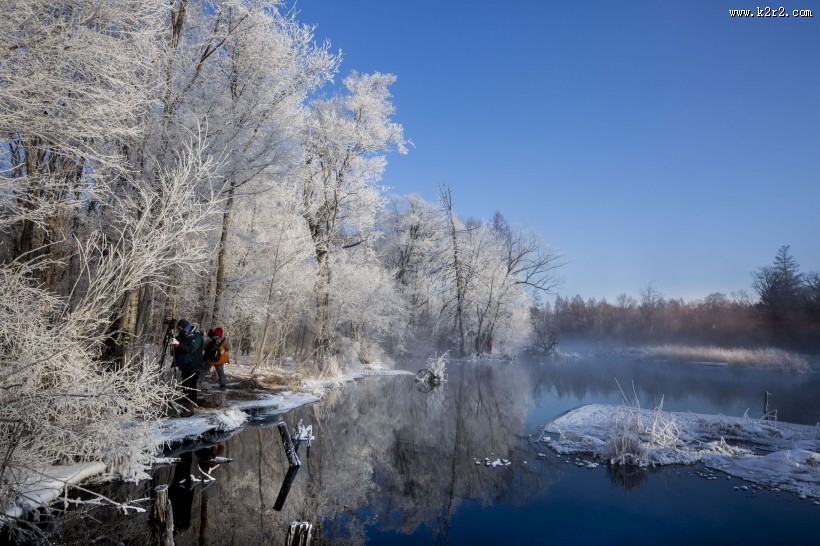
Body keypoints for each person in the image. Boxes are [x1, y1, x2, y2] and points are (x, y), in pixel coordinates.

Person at [171, 318, 204, 411]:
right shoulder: (183, 336)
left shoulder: (196, 336)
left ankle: (189, 408)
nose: (179, 330)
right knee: (186, 387)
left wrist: (177, 344)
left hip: (193, 365)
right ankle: (192, 403)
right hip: (185, 365)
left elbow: (190, 349)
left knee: (190, 387)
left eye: (180, 328)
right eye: (178, 329)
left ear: (186, 328)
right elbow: (178, 349)